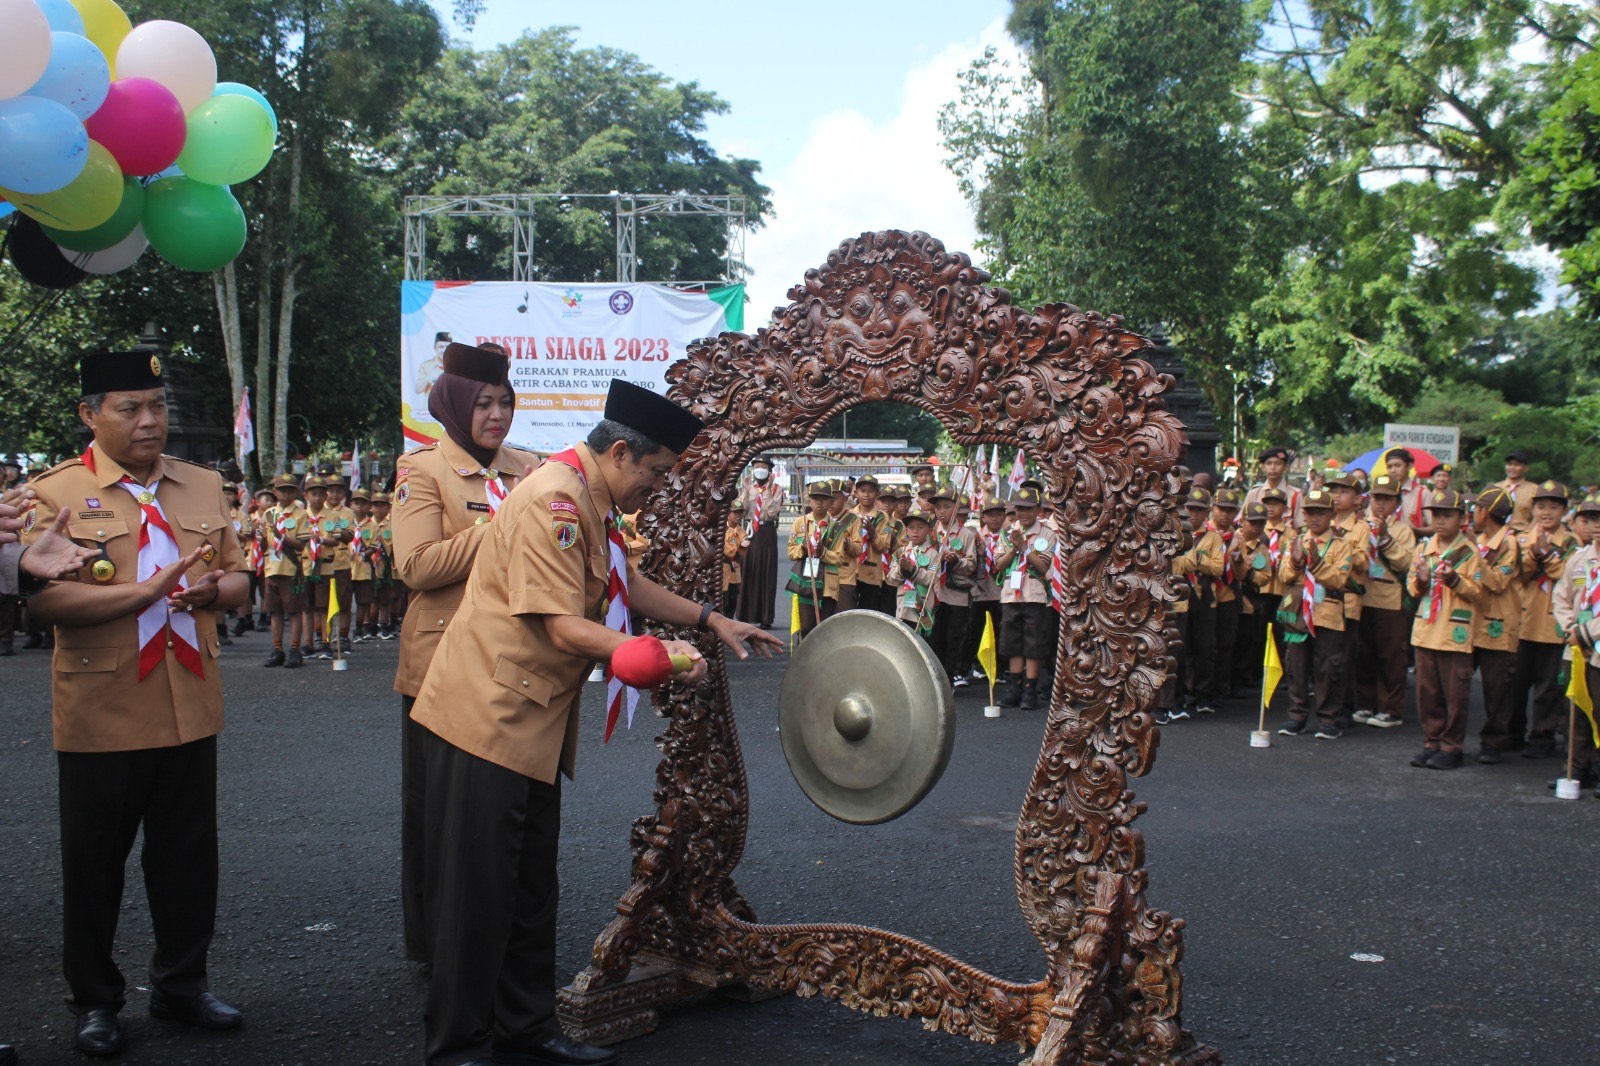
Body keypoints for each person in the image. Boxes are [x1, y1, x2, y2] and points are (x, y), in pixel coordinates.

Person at [407, 379, 781, 1066]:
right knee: (476, 894)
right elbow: (559, 625)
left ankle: (525, 1026)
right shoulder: (555, 498)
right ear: (618, 453)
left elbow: (620, 583)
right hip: (484, 718)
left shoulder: (590, 495)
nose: (658, 488)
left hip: (529, 719)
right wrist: (662, 657)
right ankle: (458, 1044)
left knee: (528, 887)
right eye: (657, 473)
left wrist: (709, 619)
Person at [20, 351, 250, 1057]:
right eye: (129, 407)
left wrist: (210, 592)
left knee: (187, 861)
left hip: (189, 702)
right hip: (103, 707)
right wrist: (142, 595)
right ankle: (96, 999)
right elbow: (43, 602)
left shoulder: (203, 485)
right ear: (90, 414)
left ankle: (183, 984)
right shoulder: (53, 494)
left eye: (157, 405)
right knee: (95, 867)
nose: (149, 421)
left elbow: (240, 577)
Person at [392, 342, 539, 969]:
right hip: (440, 665)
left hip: (515, 661)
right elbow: (416, 566)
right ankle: (431, 945)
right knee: (435, 814)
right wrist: (500, 529)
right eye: (484, 403)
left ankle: (498, 941)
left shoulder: (529, 469)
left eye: (506, 401)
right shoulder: (420, 470)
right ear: (454, 405)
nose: (498, 414)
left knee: (510, 818)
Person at [1406, 490, 1486, 770]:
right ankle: (1432, 742)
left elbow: (1478, 593)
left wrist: (1454, 580)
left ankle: (1452, 747)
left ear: (1461, 519)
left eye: (1447, 515)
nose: (1440, 521)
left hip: (1454, 632)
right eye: (1436, 515)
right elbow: (1411, 584)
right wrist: (1421, 582)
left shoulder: (1470, 553)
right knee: (1427, 691)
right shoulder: (1424, 548)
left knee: (1455, 694)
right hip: (1427, 629)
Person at [1275, 489, 1355, 739]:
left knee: (1328, 666)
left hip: (1327, 613)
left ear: (1331, 514)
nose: (1315, 518)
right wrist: (1297, 561)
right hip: (1298, 613)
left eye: (1321, 512)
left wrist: (1317, 562)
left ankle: (1328, 718)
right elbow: (1284, 576)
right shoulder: (1293, 541)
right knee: (1296, 665)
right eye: (1310, 513)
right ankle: (1296, 716)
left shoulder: (1342, 545)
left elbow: (1340, 579)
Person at [1513, 480, 1580, 758]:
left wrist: (1547, 554)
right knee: (1515, 684)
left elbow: (1567, 577)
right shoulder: (1520, 538)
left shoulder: (1572, 543)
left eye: (1554, 506)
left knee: (1548, 687)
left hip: (1552, 624)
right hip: (1522, 621)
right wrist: (1532, 553)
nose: (1546, 512)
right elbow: (1517, 574)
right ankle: (1512, 733)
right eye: (1541, 506)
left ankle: (1542, 737)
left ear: (1564, 511)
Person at [1353, 475, 1417, 729]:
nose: (1380, 503)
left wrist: (1386, 538)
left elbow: (1406, 563)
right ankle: (1365, 702)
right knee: (1363, 654)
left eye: (1387, 498)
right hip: (1362, 597)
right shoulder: (1361, 526)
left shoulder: (1403, 530)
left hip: (1390, 600)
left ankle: (1391, 708)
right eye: (1377, 497)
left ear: (1397, 502)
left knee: (1391, 656)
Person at [1469, 487, 1524, 762]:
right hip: (1472, 620)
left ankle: (1494, 742)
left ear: (1485, 513)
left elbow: (1497, 581)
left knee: (1497, 686)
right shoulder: (1478, 538)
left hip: (1499, 623)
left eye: (1476, 508)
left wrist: (1473, 555)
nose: (1472, 514)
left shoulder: (1509, 544)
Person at [1550, 493, 1600, 792]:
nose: (1595, 526)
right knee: (1575, 709)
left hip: (1594, 644)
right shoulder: (1579, 559)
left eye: (1599, 519)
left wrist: (1587, 632)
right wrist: (1570, 627)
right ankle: (1577, 767)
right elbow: (1561, 595)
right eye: (1589, 519)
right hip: (1576, 647)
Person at [996, 487, 1056, 710]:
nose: (1024, 513)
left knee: (1034, 643)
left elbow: (1042, 565)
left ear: (1039, 510)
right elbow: (998, 565)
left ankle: (1030, 689)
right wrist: (1013, 548)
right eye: (1020, 509)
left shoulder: (1047, 534)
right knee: (1013, 643)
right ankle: (1015, 687)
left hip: (1035, 595)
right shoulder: (1006, 533)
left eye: (1029, 509)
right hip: (1011, 595)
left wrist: (1025, 547)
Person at [1327, 471, 1372, 728]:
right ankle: (1327, 703)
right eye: (1334, 491)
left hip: (1348, 598)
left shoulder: (1360, 528)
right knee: (1325, 655)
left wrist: (1342, 542)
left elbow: (1364, 562)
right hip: (1324, 597)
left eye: (1343, 491)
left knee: (1343, 655)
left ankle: (1344, 705)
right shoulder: (1324, 520)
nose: (1337, 496)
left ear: (1357, 499)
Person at [928, 483, 978, 688]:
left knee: (953, 637)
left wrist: (956, 561)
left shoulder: (966, 534)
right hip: (934, 593)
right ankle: (934, 679)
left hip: (956, 593)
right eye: (938, 507)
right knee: (934, 637)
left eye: (946, 507)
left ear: (956, 508)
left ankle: (949, 679)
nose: (942, 511)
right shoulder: (930, 532)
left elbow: (972, 564)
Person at [260, 473, 311, 668]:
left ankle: (295, 649)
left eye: (290, 490)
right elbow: (266, 544)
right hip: (271, 568)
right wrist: (261, 537)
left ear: (296, 492)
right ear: (275, 492)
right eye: (282, 490)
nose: (286, 494)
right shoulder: (269, 514)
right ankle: (277, 649)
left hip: (292, 570)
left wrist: (281, 536)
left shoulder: (300, 514)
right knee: (275, 611)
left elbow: (300, 545)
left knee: (294, 611)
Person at [788, 482, 848, 636]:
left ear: (830, 501)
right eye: (815, 498)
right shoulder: (800, 523)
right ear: (809, 500)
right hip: (805, 582)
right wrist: (802, 549)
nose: (819, 502)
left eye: (824, 498)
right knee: (806, 627)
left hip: (828, 585)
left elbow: (840, 558)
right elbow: (791, 552)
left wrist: (823, 553)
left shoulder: (836, 528)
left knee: (824, 629)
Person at [960, 495, 1007, 686]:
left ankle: (995, 669)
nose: (994, 518)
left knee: (998, 631)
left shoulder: (1010, 536)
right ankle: (963, 669)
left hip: (1002, 591)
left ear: (1004, 516)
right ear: (983, 517)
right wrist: (980, 554)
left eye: (998, 514)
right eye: (990, 515)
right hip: (980, 591)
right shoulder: (976, 536)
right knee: (974, 630)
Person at [1179, 487, 1219, 715]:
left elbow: (1218, 567)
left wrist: (1196, 560)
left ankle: (1204, 694)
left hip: (1205, 598)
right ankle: (1186, 693)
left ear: (1207, 513)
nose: (1194, 515)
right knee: (1182, 648)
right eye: (1190, 509)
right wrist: (1198, 561)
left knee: (1204, 647)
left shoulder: (1212, 538)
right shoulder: (1178, 535)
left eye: (1200, 510)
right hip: (1183, 597)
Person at [734, 457, 782, 628]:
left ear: (769, 471)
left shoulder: (776, 489)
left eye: (763, 467)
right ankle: (745, 614)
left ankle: (765, 617)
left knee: (766, 572)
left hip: (767, 532)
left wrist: (767, 491)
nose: (759, 469)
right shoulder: (748, 488)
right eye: (756, 466)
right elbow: (741, 508)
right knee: (747, 570)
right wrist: (746, 491)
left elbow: (772, 512)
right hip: (749, 531)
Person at [891, 505, 940, 635]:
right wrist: (902, 570)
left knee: (920, 642)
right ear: (906, 530)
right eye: (911, 528)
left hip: (922, 606)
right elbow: (891, 579)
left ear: (929, 530)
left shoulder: (933, 554)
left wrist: (913, 570)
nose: (915, 532)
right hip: (903, 606)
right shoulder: (900, 553)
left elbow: (932, 579)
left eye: (920, 527)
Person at [850, 474, 894, 615]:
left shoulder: (883, 518)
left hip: (871, 572)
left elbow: (884, 546)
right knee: (850, 612)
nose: (867, 495)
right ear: (856, 492)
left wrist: (872, 533)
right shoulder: (849, 515)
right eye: (863, 491)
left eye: (871, 491)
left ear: (877, 494)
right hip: (851, 572)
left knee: (868, 613)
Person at [828, 480, 864, 612]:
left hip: (844, 576)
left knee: (845, 618)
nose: (831, 502)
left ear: (845, 498)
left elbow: (858, 550)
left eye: (835, 498)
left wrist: (845, 541)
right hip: (823, 575)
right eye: (828, 498)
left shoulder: (853, 519)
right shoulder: (818, 518)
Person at [1246, 447, 1303, 528]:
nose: (1273, 467)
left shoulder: (1295, 495)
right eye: (1269, 463)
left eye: (1278, 463)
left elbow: (1298, 528)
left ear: (1286, 467)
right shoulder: (1254, 494)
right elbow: (1243, 522)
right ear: (1263, 467)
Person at [1491, 450, 1537, 531]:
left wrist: (1528, 534)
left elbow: (1538, 516)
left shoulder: (1534, 489)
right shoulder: (1495, 488)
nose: (1512, 468)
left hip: (1521, 534)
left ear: (1525, 468)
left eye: (1516, 465)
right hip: (1497, 534)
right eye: (1509, 464)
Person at [722, 501, 749, 618]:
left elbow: (742, 552)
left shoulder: (742, 532)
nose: (738, 515)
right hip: (721, 571)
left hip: (734, 572)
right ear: (728, 513)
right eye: (735, 512)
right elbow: (727, 550)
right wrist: (738, 547)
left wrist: (741, 547)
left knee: (732, 602)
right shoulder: (722, 529)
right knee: (722, 601)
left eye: (740, 512)